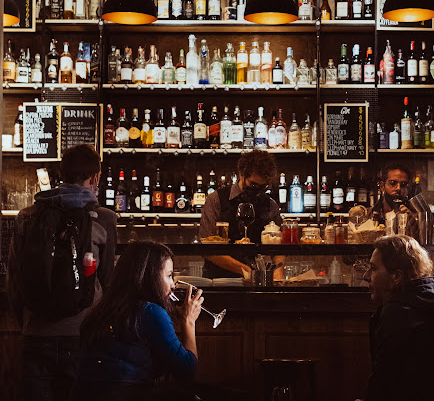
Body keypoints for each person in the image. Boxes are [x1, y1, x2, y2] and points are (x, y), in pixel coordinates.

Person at [7, 144, 117, 401]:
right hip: (83, 333)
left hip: (36, 333)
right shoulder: (104, 218)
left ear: (60, 174)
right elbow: (108, 280)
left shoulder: (26, 216)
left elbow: (14, 278)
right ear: (96, 178)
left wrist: (27, 322)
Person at [70, 241, 202, 401]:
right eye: (169, 275)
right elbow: (187, 372)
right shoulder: (150, 312)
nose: (173, 285)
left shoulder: (101, 310)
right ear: (150, 276)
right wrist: (189, 321)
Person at [358, 235, 434, 401]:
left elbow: (385, 383)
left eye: (373, 268)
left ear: (396, 277)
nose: (366, 276)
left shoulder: (397, 313)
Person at [199, 150, 283, 278]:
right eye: (253, 184)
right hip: (218, 281)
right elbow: (208, 249)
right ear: (241, 175)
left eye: (262, 187)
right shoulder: (216, 199)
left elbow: (279, 246)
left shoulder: (270, 204)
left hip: (255, 281)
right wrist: (246, 270)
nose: (257, 190)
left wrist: (278, 271)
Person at [369, 164, 418, 238]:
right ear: (382, 186)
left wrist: (413, 225)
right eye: (392, 183)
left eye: (403, 184)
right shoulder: (370, 215)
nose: (398, 188)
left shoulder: (414, 215)